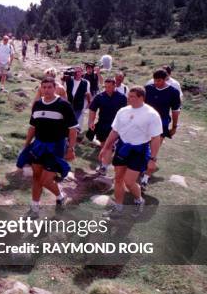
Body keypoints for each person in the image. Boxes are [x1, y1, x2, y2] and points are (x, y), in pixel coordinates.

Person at [18, 78, 78, 217]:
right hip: (38, 145)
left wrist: (71, 149)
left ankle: (60, 195)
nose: (46, 90)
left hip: (56, 146)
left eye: (49, 87)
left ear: (55, 87)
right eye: (43, 87)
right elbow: (32, 127)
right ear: (40, 89)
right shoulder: (37, 104)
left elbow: (73, 130)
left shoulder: (64, 105)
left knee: (45, 180)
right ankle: (35, 207)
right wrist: (26, 145)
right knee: (37, 177)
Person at [99, 87, 163, 218]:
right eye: (129, 96)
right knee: (118, 179)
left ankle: (139, 200)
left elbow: (156, 138)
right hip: (122, 148)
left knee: (129, 182)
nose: (128, 98)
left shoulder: (151, 114)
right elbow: (115, 131)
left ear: (141, 98)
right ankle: (118, 207)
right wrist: (105, 148)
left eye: (132, 96)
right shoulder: (123, 111)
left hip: (139, 150)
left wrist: (153, 159)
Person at [140, 69, 181, 190]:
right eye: (155, 80)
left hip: (161, 123)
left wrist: (174, 126)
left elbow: (175, 111)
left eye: (159, 80)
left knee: (154, 150)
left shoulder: (173, 92)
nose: (156, 82)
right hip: (145, 122)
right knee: (142, 147)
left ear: (165, 79)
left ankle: (145, 178)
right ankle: (141, 169)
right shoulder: (148, 88)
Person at [88, 78, 128, 174]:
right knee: (103, 145)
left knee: (108, 145)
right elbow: (92, 109)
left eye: (109, 87)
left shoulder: (122, 97)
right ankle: (104, 163)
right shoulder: (100, 96)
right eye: (105, 87)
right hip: (102, 124)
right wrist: (91, 121)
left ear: (115, 86)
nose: (107, 89)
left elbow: (126, 112)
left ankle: (104, 167)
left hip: (115, 126)